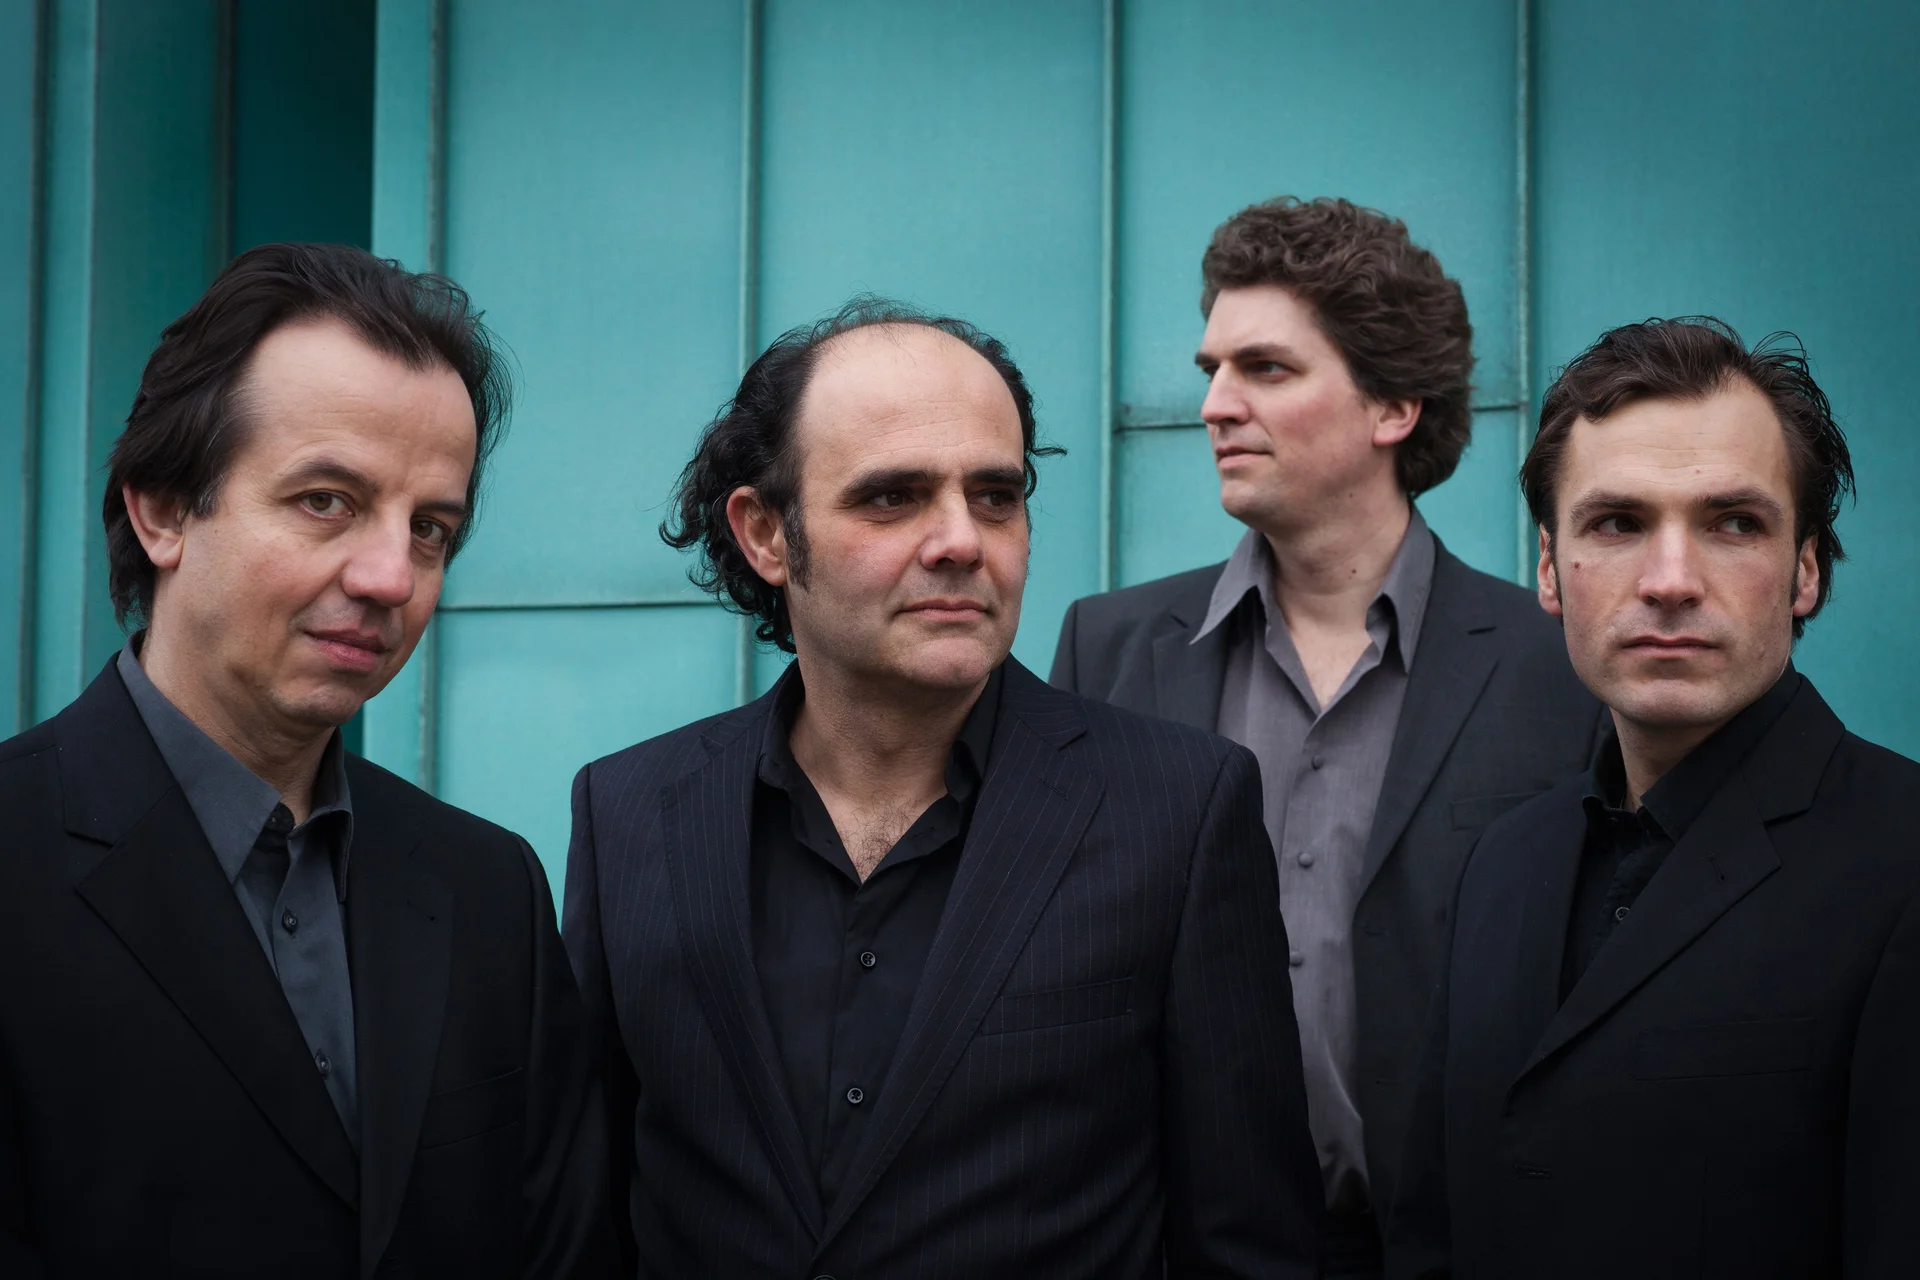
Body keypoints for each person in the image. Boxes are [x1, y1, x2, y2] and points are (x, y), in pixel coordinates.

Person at [564, 298, 1323, 1277]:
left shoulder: (1179, 810)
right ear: (765, 533)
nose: (962, 540)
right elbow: (584, 1217)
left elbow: (1251, 1240)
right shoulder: (629, 813)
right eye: (893, 497)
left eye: (996, 496)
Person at [0, 244, 615, 1278]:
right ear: (162, 509)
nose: (390, 576)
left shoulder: (487, 889)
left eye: (431, 528)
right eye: (327, 499)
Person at [1050, 196, 1601, 1274]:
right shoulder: (1106, 649)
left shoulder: (1558, 669)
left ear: (1393, 403)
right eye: (1213, 368)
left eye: (1265, 368)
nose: (1215, 404)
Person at [1386, 318, 1920, 1278]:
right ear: (1549, 569)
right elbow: (1434, 1229)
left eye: (1733, 523)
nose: (1671, 582)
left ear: (1805, 570)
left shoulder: (1903, 858)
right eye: (1618, 524)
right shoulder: (1502, 865)